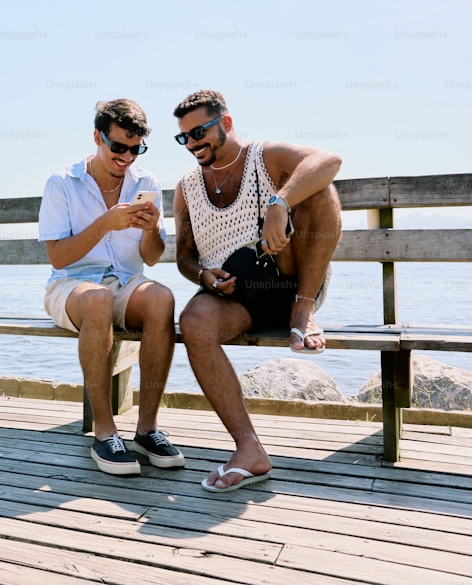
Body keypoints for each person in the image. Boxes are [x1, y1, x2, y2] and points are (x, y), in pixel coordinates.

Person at [172, 89, 342, 492]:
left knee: (320, 189)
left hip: (290, 279)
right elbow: (183, 257)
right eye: (184, 138)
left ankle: (302, 313)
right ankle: (249, 449)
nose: (193, 143)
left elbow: (329, 161)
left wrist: (280, 202)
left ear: (226, 124)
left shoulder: (265, 156)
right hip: (236, 296)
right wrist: (203, 276)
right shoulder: (186, 188)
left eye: (199, 132)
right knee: (193, 321)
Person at [39, 98, 184, 476]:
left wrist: (151, 228)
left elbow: (151, 258)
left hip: (126, 283)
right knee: (99, 299)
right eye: (118, 147)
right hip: (71, 287)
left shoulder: (146, 182)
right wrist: (105, 223)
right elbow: (58, 258)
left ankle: (147, 429)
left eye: (135, 150)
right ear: (97, 137)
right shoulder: (62, 182)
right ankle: (105, 432)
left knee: (162, 299)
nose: (126, 158)